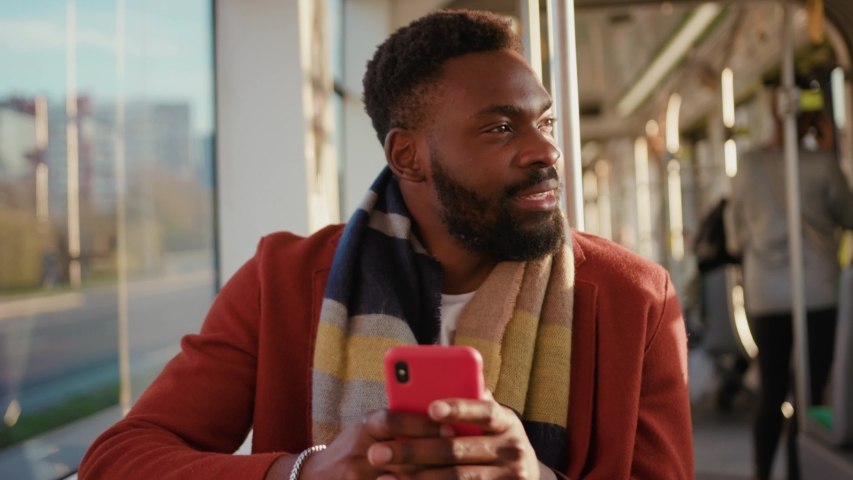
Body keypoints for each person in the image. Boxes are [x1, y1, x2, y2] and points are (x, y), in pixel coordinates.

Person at [79, 10, 693, 480]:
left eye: (546, 122)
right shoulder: (282, 280)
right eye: (501, 127)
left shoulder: (633, 297)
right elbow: (118, 459)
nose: (547, 150)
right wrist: (304, 471)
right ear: (407, 155)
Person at [729, 92, 853, 480]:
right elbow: (848, 214)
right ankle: (801, 473)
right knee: (810, 389)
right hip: (818, 290)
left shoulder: (747, 167)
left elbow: (735, 239)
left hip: (766, 294)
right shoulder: (821, 164)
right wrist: (830, 152)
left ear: (771, 111)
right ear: (811, 118)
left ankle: (762, 472)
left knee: (771, 387)